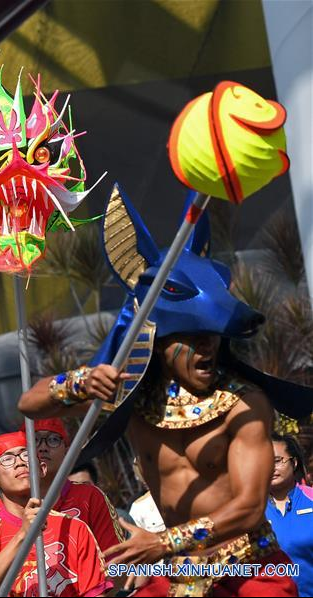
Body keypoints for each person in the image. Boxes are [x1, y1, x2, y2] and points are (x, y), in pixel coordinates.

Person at [19, 188, 309, 596]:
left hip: (252, 570)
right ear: (159, 340)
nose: (206, 346)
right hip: (179, 574)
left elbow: (245, 508)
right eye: (191, 336)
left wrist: (159, 543)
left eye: (211, 336)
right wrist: (81, 381)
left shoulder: (244, 403)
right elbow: (29, 405)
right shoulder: (134, 397)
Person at [0, 418, 123, 563]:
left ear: (67, 450)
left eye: (53, 440)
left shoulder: (89, 497)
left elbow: (120, 564)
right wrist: (6, 522)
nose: (43, 448)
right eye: (34, 441)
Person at [0, 432, 111, 597]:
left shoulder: (74, 528)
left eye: (26, 455)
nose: (19, 463)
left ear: (42, 469)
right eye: (7, 459)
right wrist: (23, 535)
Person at [267, 433, 313, 597]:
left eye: (277, 461)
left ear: (294, 463)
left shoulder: (311, 499)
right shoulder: (252, 508)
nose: (271, 467)